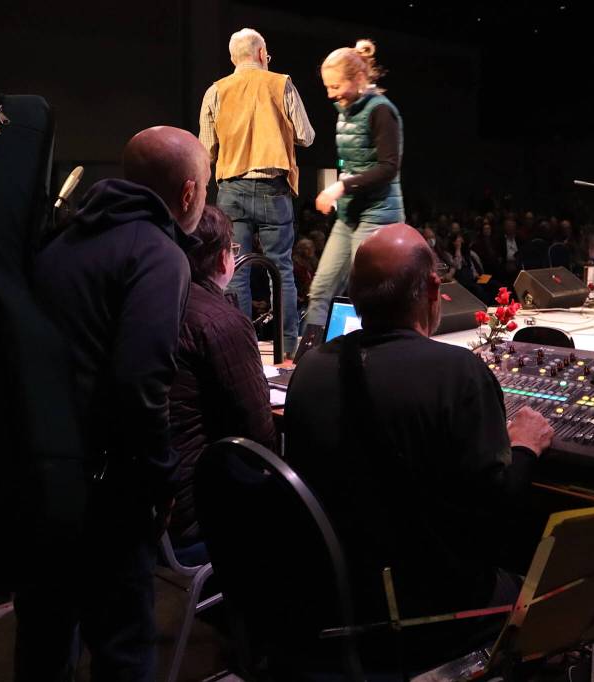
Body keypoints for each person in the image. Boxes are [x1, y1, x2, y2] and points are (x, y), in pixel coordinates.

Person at [285, 223, 553, 666]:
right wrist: (524, 446)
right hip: (429, 609)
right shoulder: (457, 373)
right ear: (433, 287)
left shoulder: (311, 368)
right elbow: (499, 513)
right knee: (550, 588)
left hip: (334, 596)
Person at [17, 126, 209, 681]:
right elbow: (139, 384)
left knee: (46, 639)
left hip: (41, 475)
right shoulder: (158, 254)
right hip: (105, 491)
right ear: (191, 192)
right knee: (123, 647)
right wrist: (160, 480)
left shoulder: (62, 240)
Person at [168, 206, 277, 562]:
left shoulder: (160, 301)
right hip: (197, 516)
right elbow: (260, 435)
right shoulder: (219, 322)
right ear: (222, 258)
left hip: (158, 505)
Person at [199, 27, 316, 357]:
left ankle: (239, 347)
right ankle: (289, 346)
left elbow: (205, 149)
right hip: (272, 189)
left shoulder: (216, 91)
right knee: (281, 270)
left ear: (233, 57)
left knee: (234, 270)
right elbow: (306, 136)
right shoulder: (281, 84)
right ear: (262, 54)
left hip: (231, 190)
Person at [303, 39, 405, 339]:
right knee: (321, 288)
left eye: (335, 86)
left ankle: (371, 357)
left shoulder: (381, 111)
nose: (330, 94)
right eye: (326, 86)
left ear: (358, 79)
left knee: (366, 294)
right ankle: (309, 360)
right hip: (350, 215)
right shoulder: (346, 109)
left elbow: (388, 167)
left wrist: (340, 187)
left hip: (378, 213)